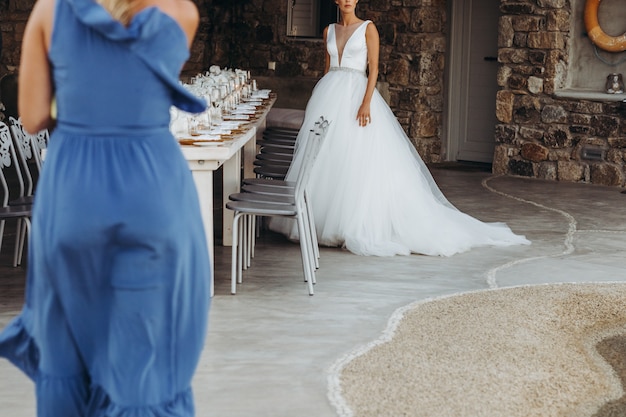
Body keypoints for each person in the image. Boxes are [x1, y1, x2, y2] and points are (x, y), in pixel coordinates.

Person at [0, 0, 211, 415]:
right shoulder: (181, 14)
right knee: (143, 348)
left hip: (76, 187)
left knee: (69, 337)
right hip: (152, 189)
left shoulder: (50, 11)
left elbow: (32, 116)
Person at [271, 0, 530, 256]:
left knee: (356, 156)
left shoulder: (368, 28)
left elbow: (373, 69)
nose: (348, 0)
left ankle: (352, 224)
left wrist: (366, 103)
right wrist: (320, 100)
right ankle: (317, 222)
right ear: (336, 1)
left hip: (356, 95)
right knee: (326, 156)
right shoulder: (328, 30)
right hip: (329, 95)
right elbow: (327, 69)